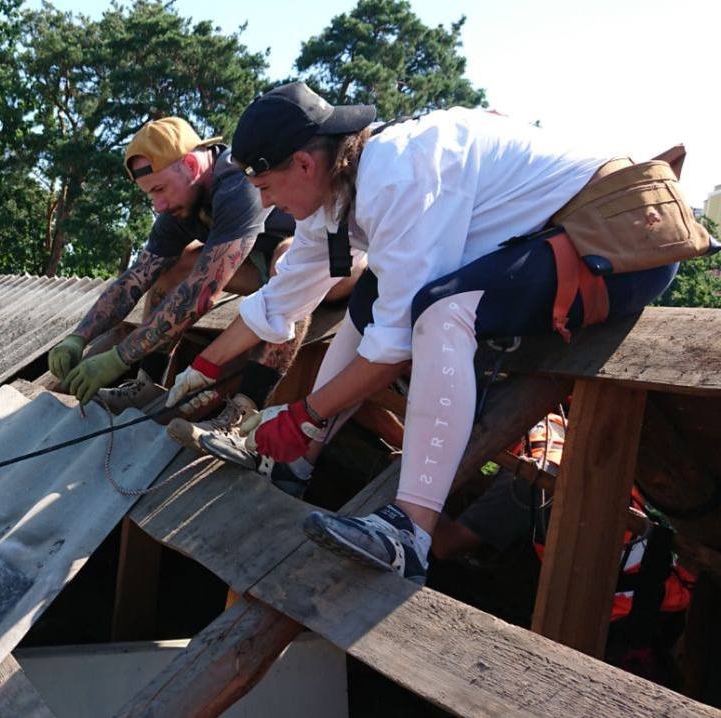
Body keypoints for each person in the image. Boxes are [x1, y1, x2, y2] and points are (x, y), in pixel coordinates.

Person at [175, 82, 684, 583]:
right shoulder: (333, 192)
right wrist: (202, 370)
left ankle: (410, 535)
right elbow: (283, 297)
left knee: (442, 314)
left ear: (304, 164)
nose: (269, 204)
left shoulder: (398, 173)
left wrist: (304, 411)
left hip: (625, 231)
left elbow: (395, 346)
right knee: (374, 293)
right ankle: (294, 462)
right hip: (565, 233)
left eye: (266, 189)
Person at [48, 117, 359, 456]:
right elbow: (137, 277)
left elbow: (202, 292)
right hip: (265, 264)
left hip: (339, 266)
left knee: (286, 265)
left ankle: (242, 413)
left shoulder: (238, 182)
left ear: (193, 164)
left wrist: (119, 356)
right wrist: (80, 335)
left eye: (159, 190)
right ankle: (146, 384)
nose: (158, 205)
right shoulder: (183, 205)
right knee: (172, 266)